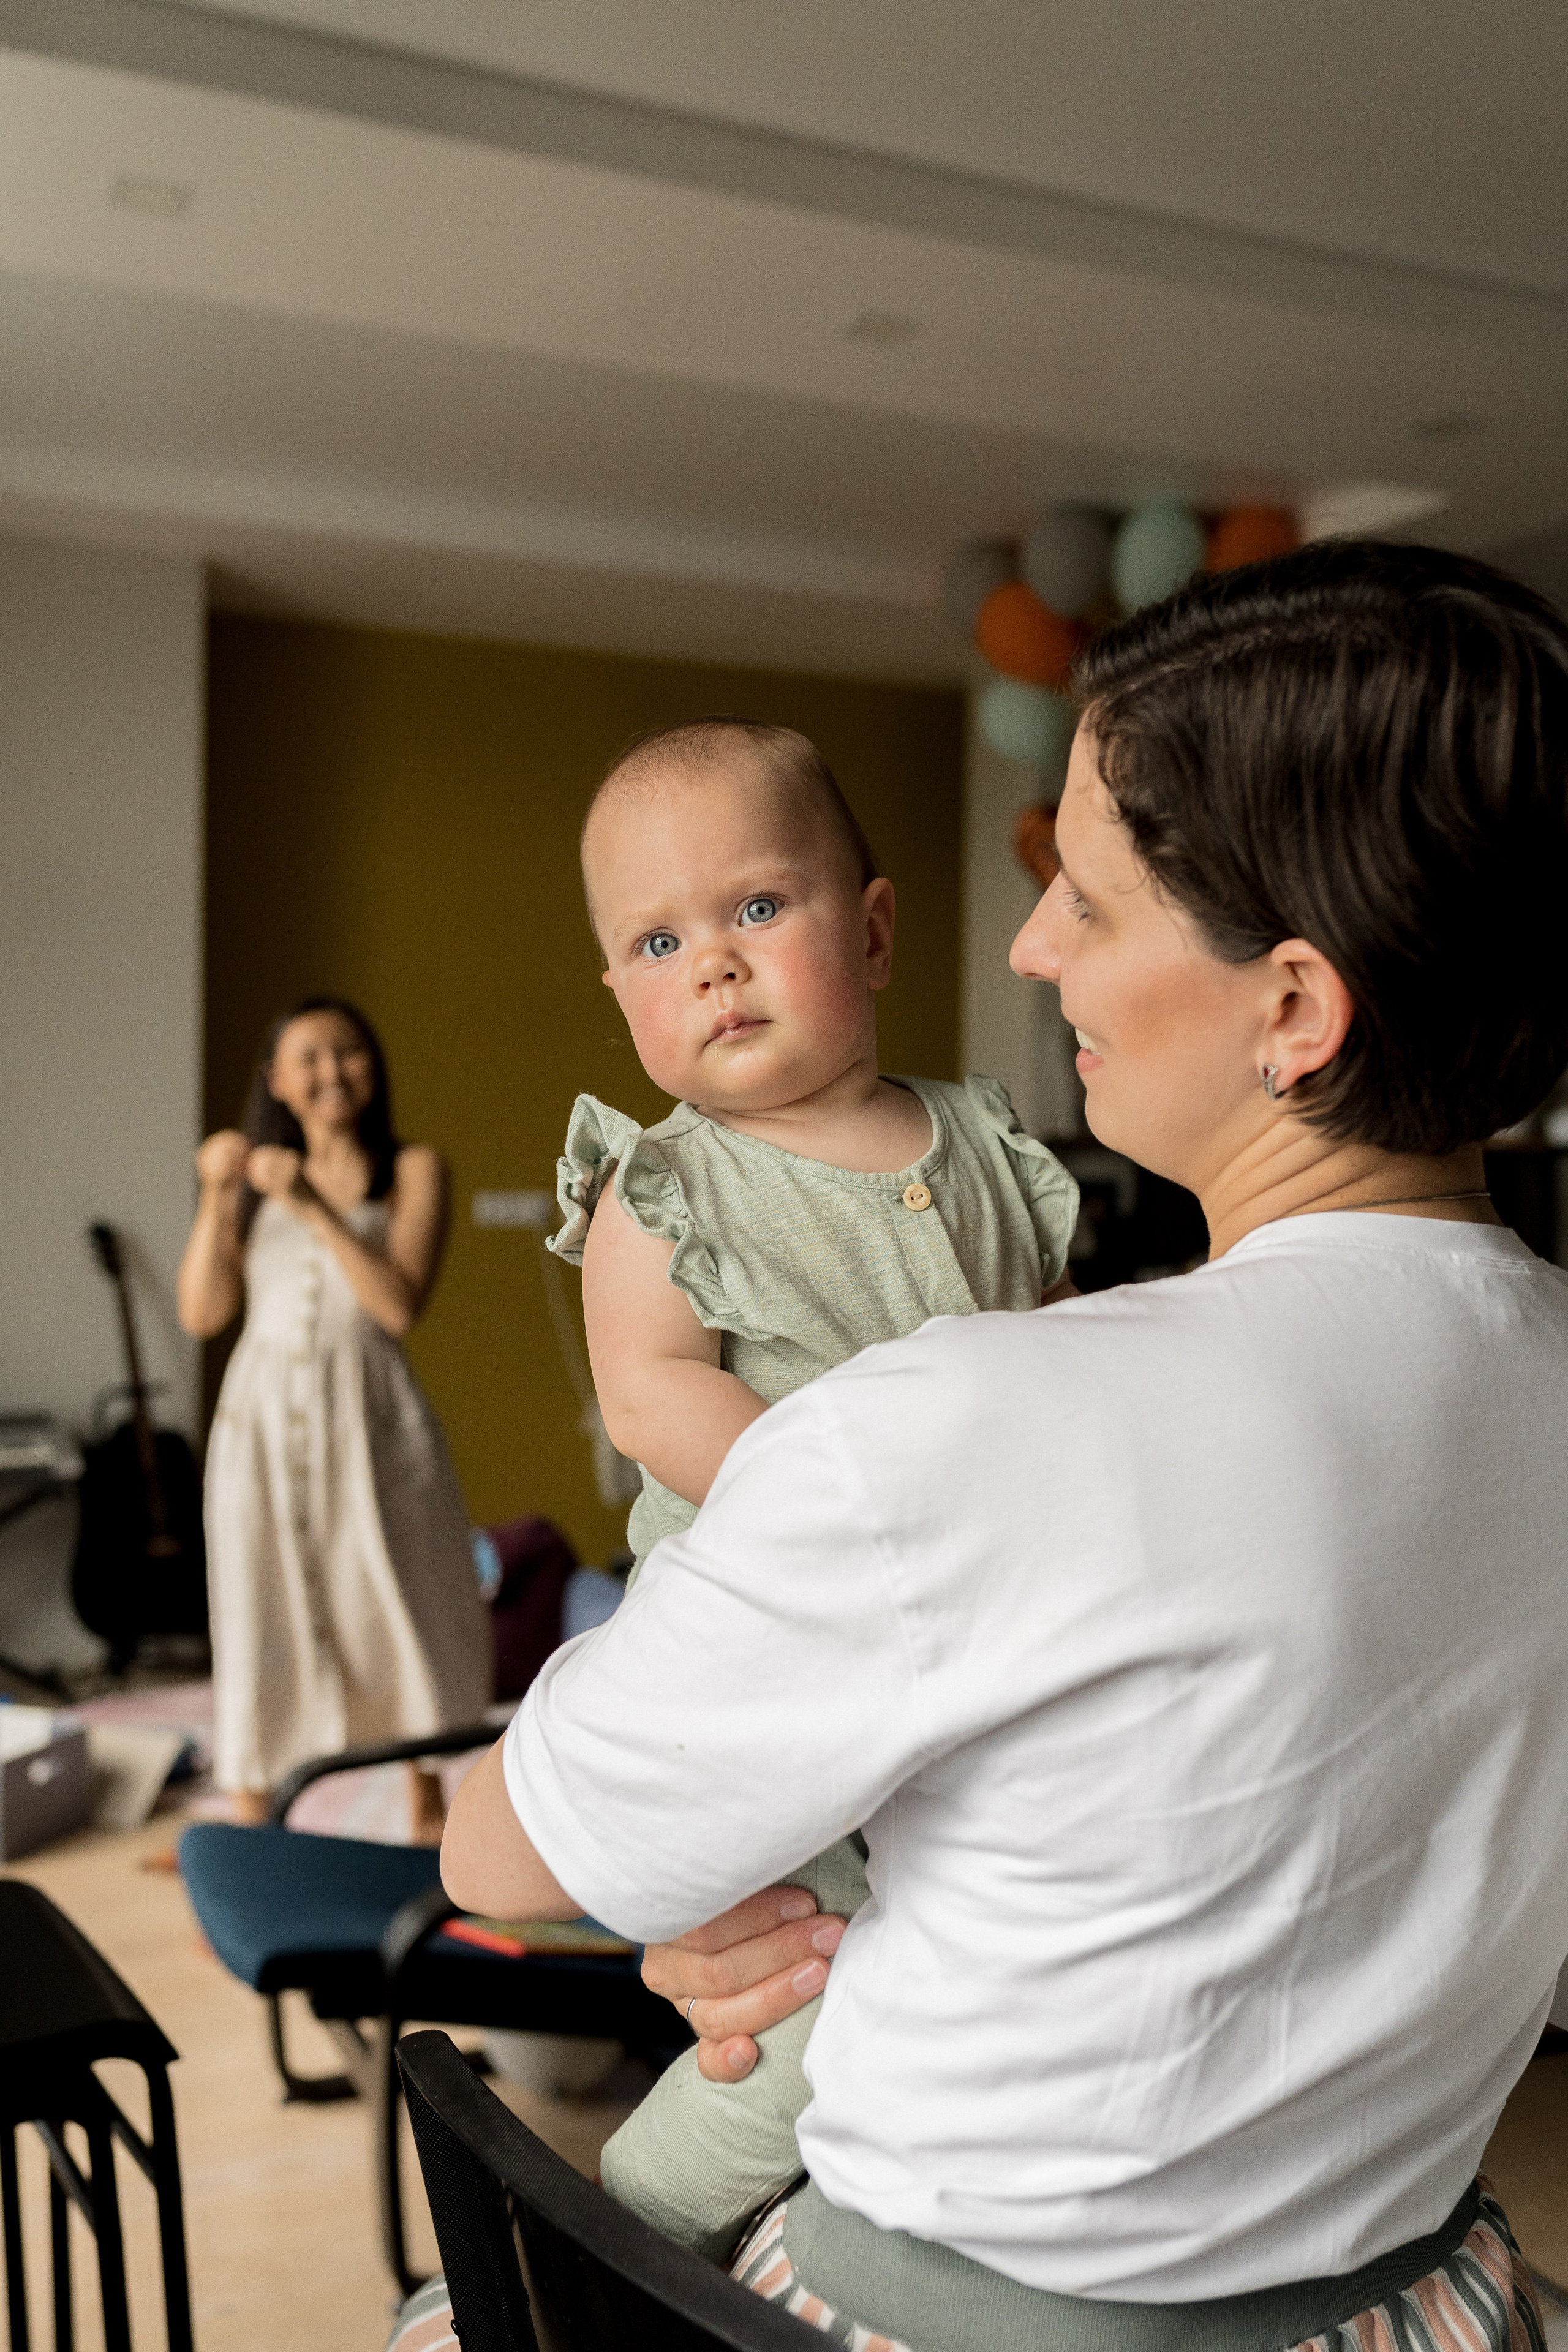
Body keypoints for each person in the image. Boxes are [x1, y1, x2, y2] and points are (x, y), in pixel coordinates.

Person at [443, 543, 1568, 2352]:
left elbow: (499, 1856)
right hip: (1419, 2302)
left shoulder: (962, 1424)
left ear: (1293, 1004)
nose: (1031, 942)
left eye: (1092, 903)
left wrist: (718, 1843)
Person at [551, 715, 1079, 2252]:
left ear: (874, 925)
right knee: (807, 1998)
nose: (711, 962)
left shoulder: (981, 1138)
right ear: (618, 994)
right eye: (658, 939)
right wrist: (852, 1509)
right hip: (764, 1646)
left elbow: (1050, 1371)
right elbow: (652, 1398)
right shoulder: (671, 1181)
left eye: (756, 909)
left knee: (966, 1960)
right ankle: (628, 2232)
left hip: (969, 1627)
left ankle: (898, 2231)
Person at [178, 997, 489, 1840]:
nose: (331, 1073)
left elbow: (396, 1307)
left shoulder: (415, 1168)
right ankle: (251, 1819)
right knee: (256, 1594)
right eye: (309, 1058)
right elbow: (202, 1313)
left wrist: (312, 1201)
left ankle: (425, 1806)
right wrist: (215, 1195)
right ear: (276, 1080)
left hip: (372, 1413)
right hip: (262, 1419)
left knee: (397, 1592)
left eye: (348, 1053)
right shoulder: (247, 1182)